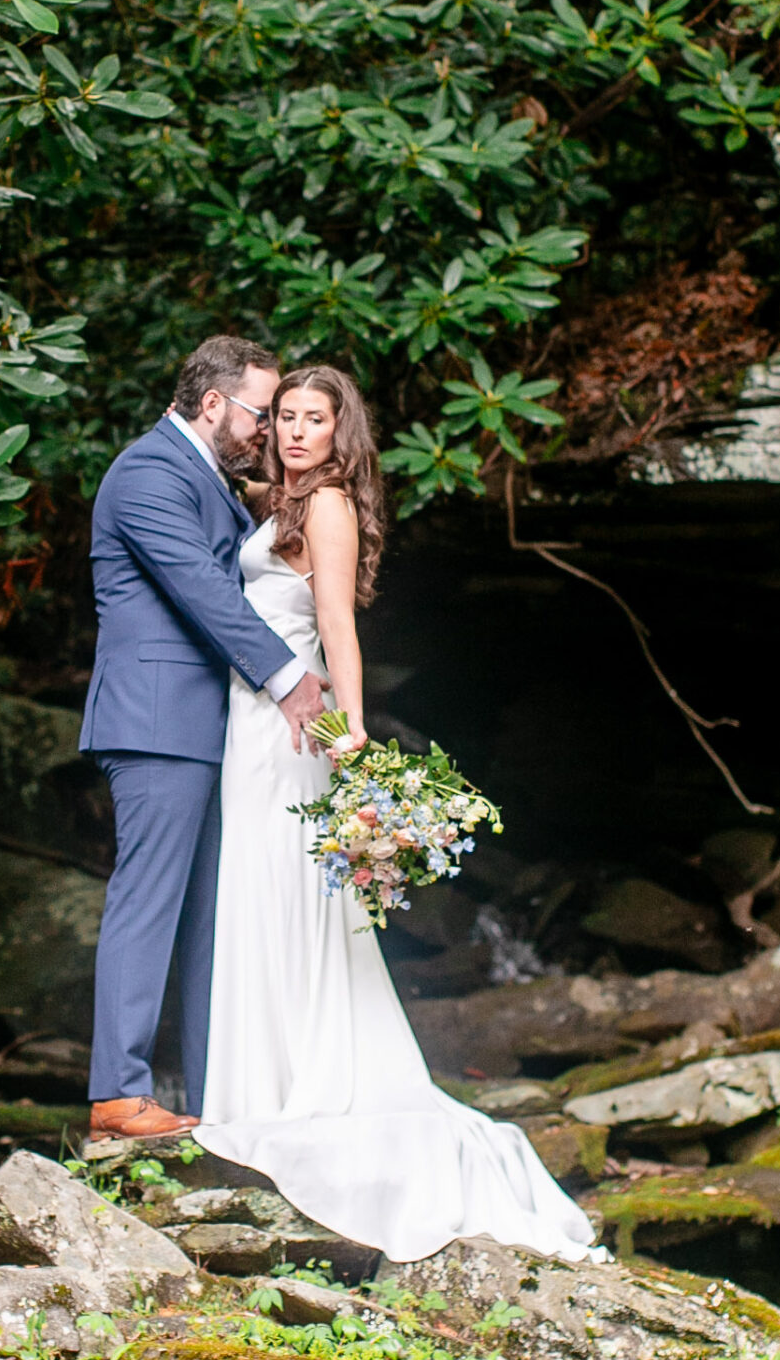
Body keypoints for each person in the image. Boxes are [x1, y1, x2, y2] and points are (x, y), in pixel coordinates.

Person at [198, 364, 593, 1263]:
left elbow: (336, 620)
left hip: (290, 726)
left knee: (284, 893)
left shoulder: (327, 506)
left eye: (314, 421)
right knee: (258, 892)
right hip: (248, 720)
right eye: (287, 417)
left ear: (342, 434)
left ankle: (296, 1084)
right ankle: (257, 1081)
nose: (297, 432)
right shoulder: (275, 498)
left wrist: (353, 732)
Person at [80, 336, 329, 1141]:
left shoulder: (205, 477)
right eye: (260, 413)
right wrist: (288, 676)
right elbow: (200, 589)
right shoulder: (148, 471)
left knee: (210, 917)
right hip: (157, 722)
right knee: (147, 902)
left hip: (209, 727)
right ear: (213, 403)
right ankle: (119, 1094)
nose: (264, 430)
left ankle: (215, 1089)